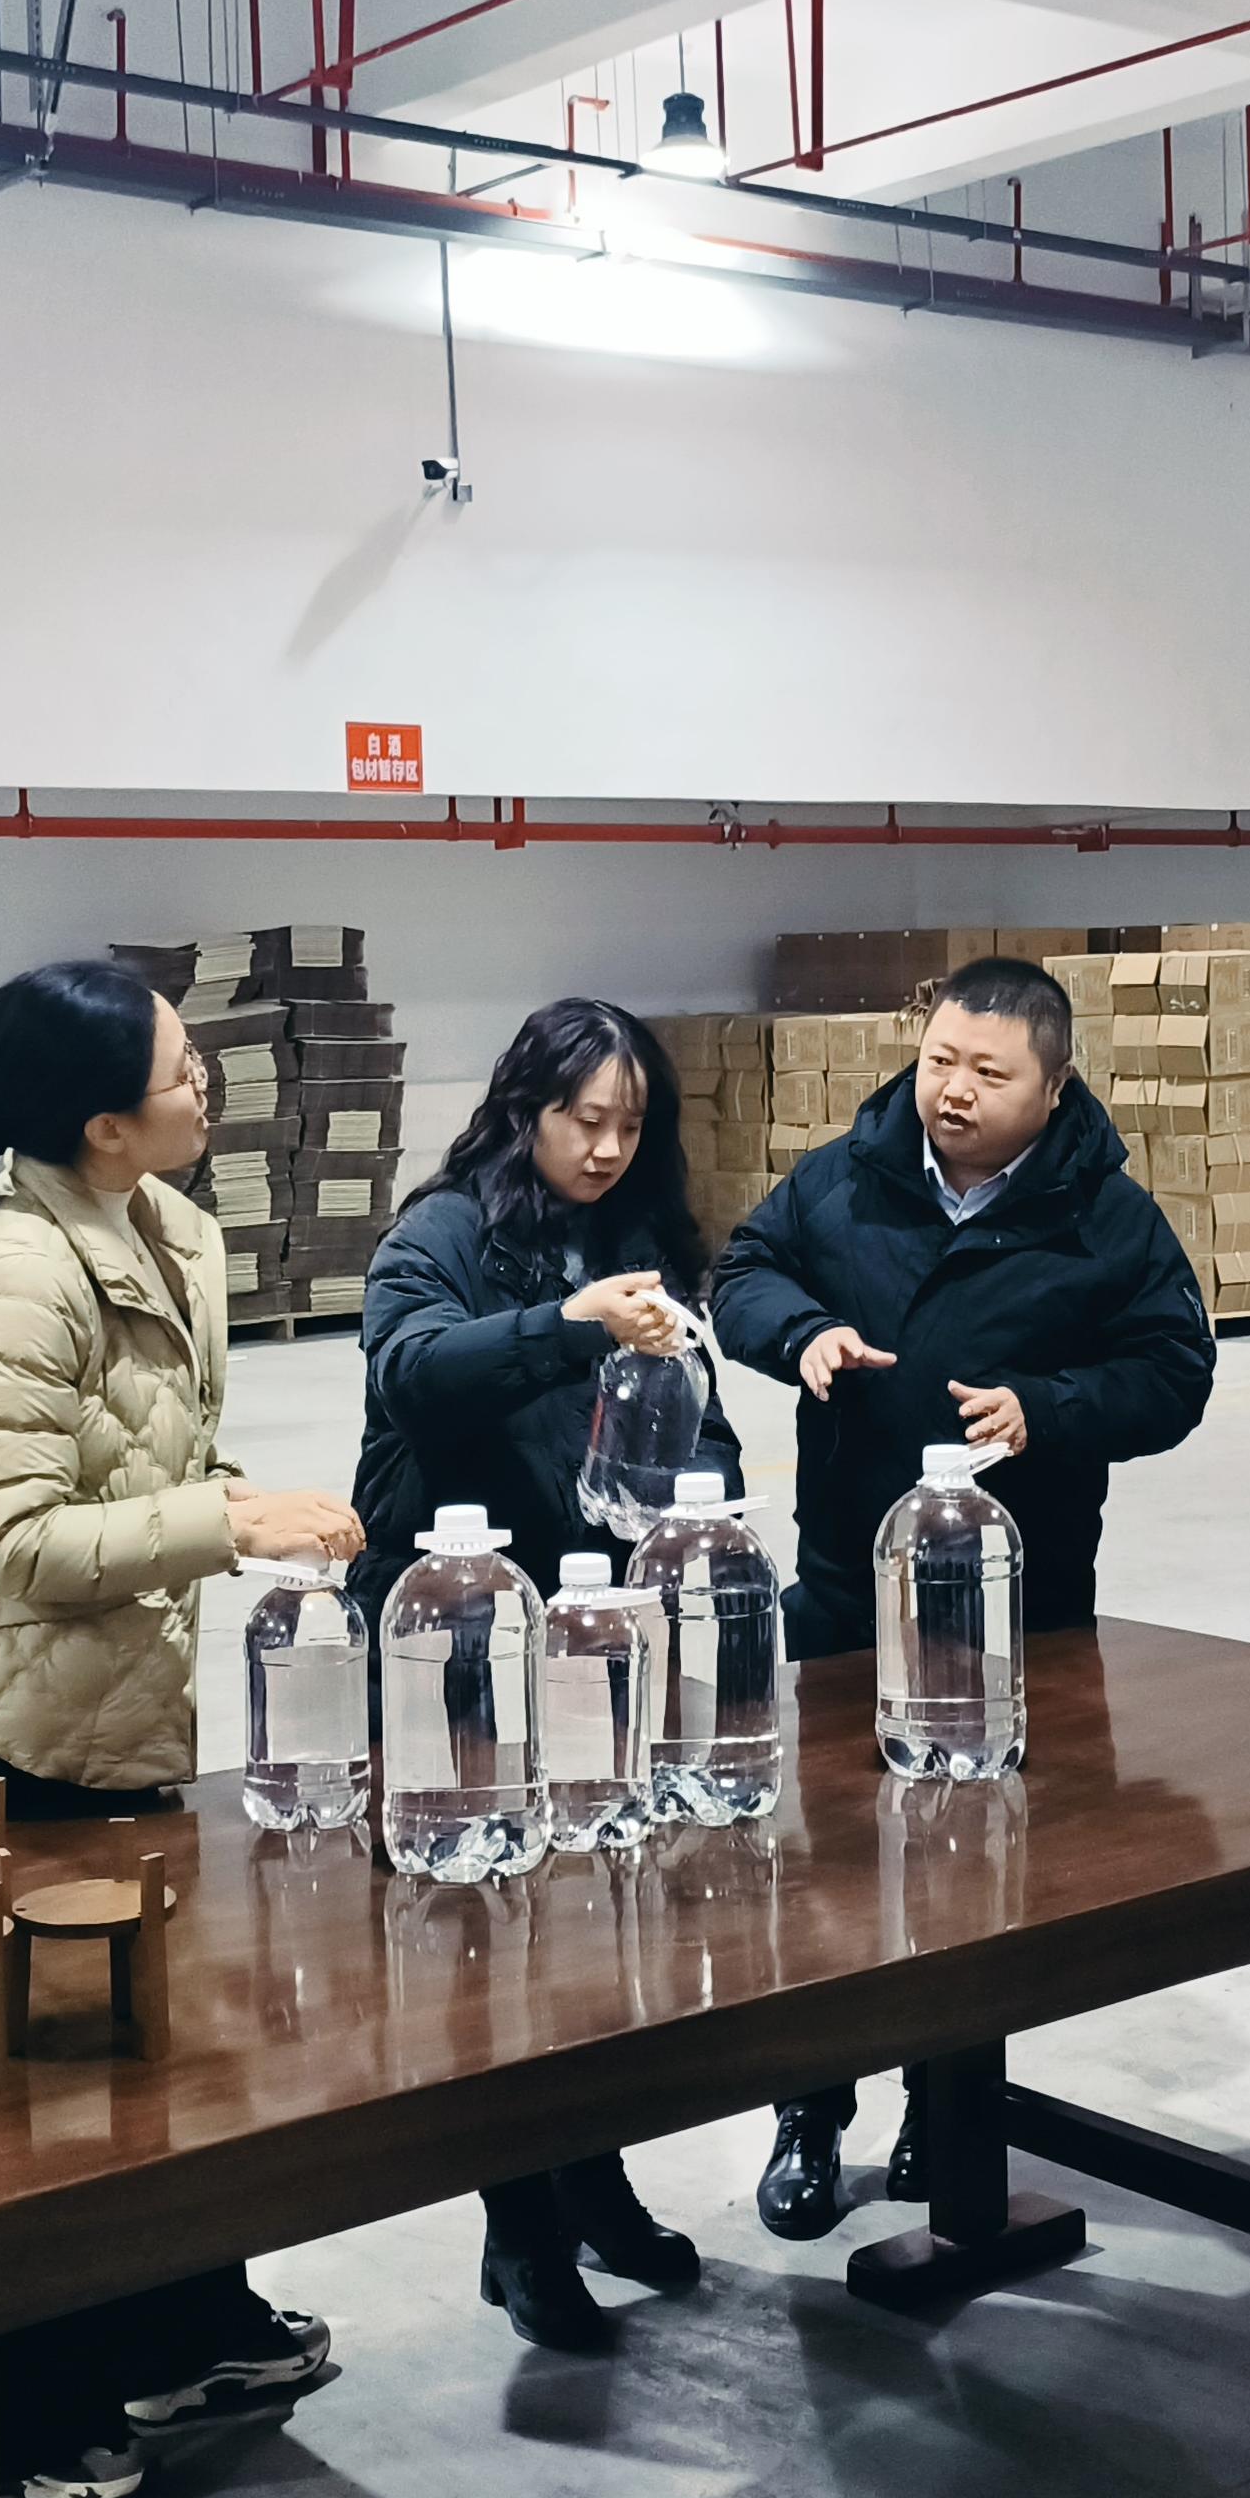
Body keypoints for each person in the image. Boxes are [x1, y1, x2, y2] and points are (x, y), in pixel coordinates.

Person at [0, 959, 363, 2498]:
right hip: (15, 1722)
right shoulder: (21, 1274)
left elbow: (146, 1452)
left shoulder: (167, 1227)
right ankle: (28, 2398)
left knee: (165, 2038)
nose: (203, 1083)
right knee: (46, 2079)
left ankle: (182, 2319)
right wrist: (228, 1523)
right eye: (178, 1070)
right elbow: (17, 1541)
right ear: (99, 1123)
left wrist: (233, 1506)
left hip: (124, 1697)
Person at [713, 954, 1218, 2237]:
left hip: (1012, 1617)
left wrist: (1047, 1409)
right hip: (843, 1598)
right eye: (940, 1059)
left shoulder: (1101, 1215)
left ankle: (945, 2111)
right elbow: (743, 1271)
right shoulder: (846, 1174)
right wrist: (799, 1333)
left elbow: (1174, 1372)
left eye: (988, 1073)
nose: (952, 1090)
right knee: (819, 1870)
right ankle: (807, 2110)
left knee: (976, 1881)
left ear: (1052, 1087)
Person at [352, 998, 730, 2352]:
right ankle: (517, 2228)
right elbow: (410, 1372)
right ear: (525, 1110)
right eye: (583, 1119)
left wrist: (703, 1520)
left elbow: (695, 1418)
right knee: (479, 1936)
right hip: (453, 1626)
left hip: (594, 1628)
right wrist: (569, 1322)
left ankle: (595, 2182)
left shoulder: (642, 1239)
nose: (607, 1147)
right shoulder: (442, 1232)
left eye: (630, 1124)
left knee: (597, 1921)